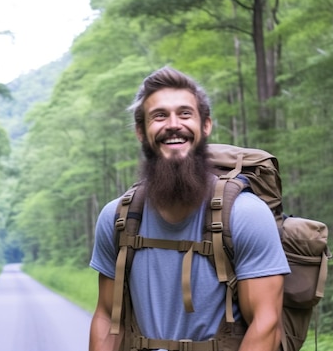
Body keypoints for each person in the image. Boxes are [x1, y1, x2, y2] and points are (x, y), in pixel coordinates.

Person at [89, 66, 290, 351]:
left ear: (205, 126)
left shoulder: (246, 214)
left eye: (185, 114)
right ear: (140, 131)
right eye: (159, 116)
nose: (173, 124)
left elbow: (266, 323)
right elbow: (107, 317)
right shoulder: (117, 218)